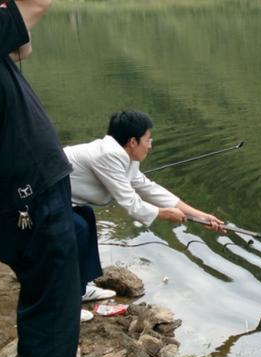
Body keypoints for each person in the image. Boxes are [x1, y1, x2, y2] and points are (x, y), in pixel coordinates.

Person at [0, 0, 81, 357]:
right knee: (54, 323)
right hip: (32, 204)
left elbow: (21, 47)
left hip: (15, 205)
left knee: (45, 310)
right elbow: (37, 3)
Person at [64, 109, 225, 294]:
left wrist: (200, 215)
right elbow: (130, 203)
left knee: (86, 218)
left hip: (64, 200)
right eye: (148, 139)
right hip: (43, 197)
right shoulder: (109, 155)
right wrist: (164, 214)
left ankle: (80, 289)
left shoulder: (126, 157)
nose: (150, 145)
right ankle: (67, 298)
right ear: (133, 141)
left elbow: (149, 188)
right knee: (78, 228)